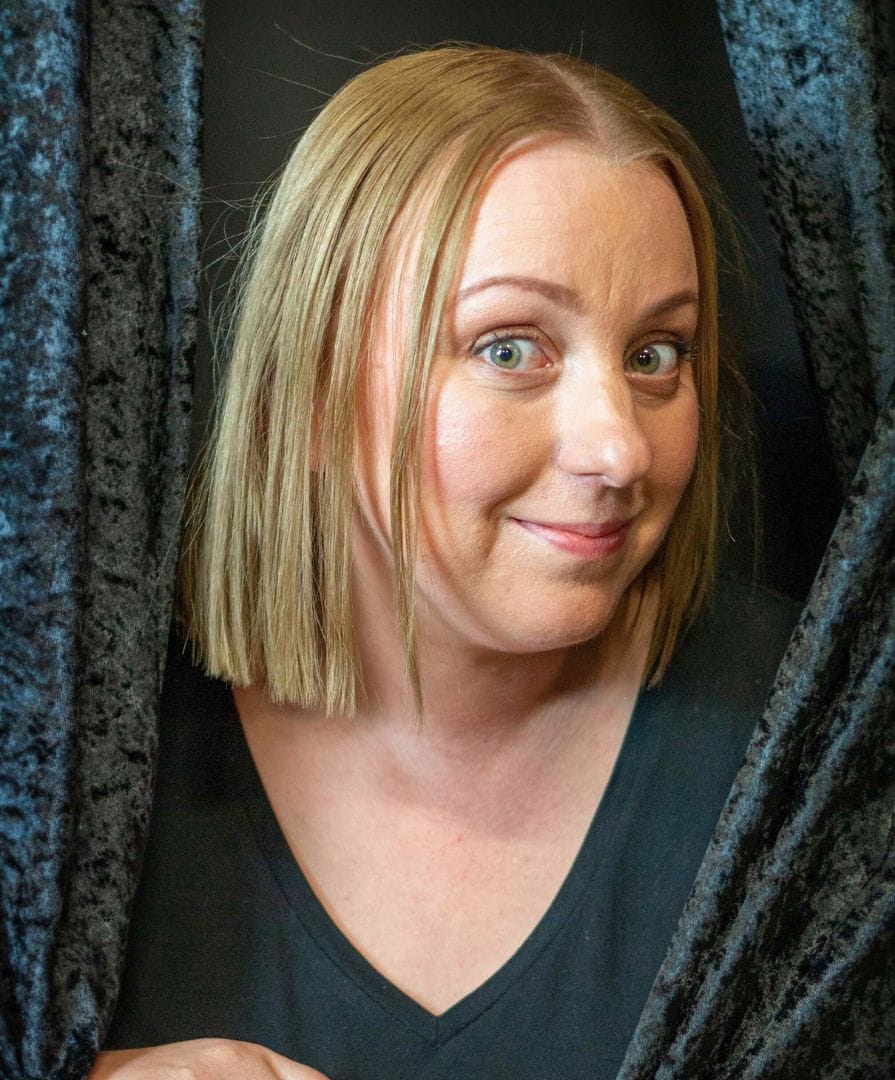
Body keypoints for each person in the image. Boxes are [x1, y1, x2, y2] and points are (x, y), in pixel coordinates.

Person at [93, 44, 798, 1079]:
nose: (620, 451)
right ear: (315, 384)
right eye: (509, 349)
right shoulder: (76, 755)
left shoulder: (812, 735)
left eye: (656, 356)